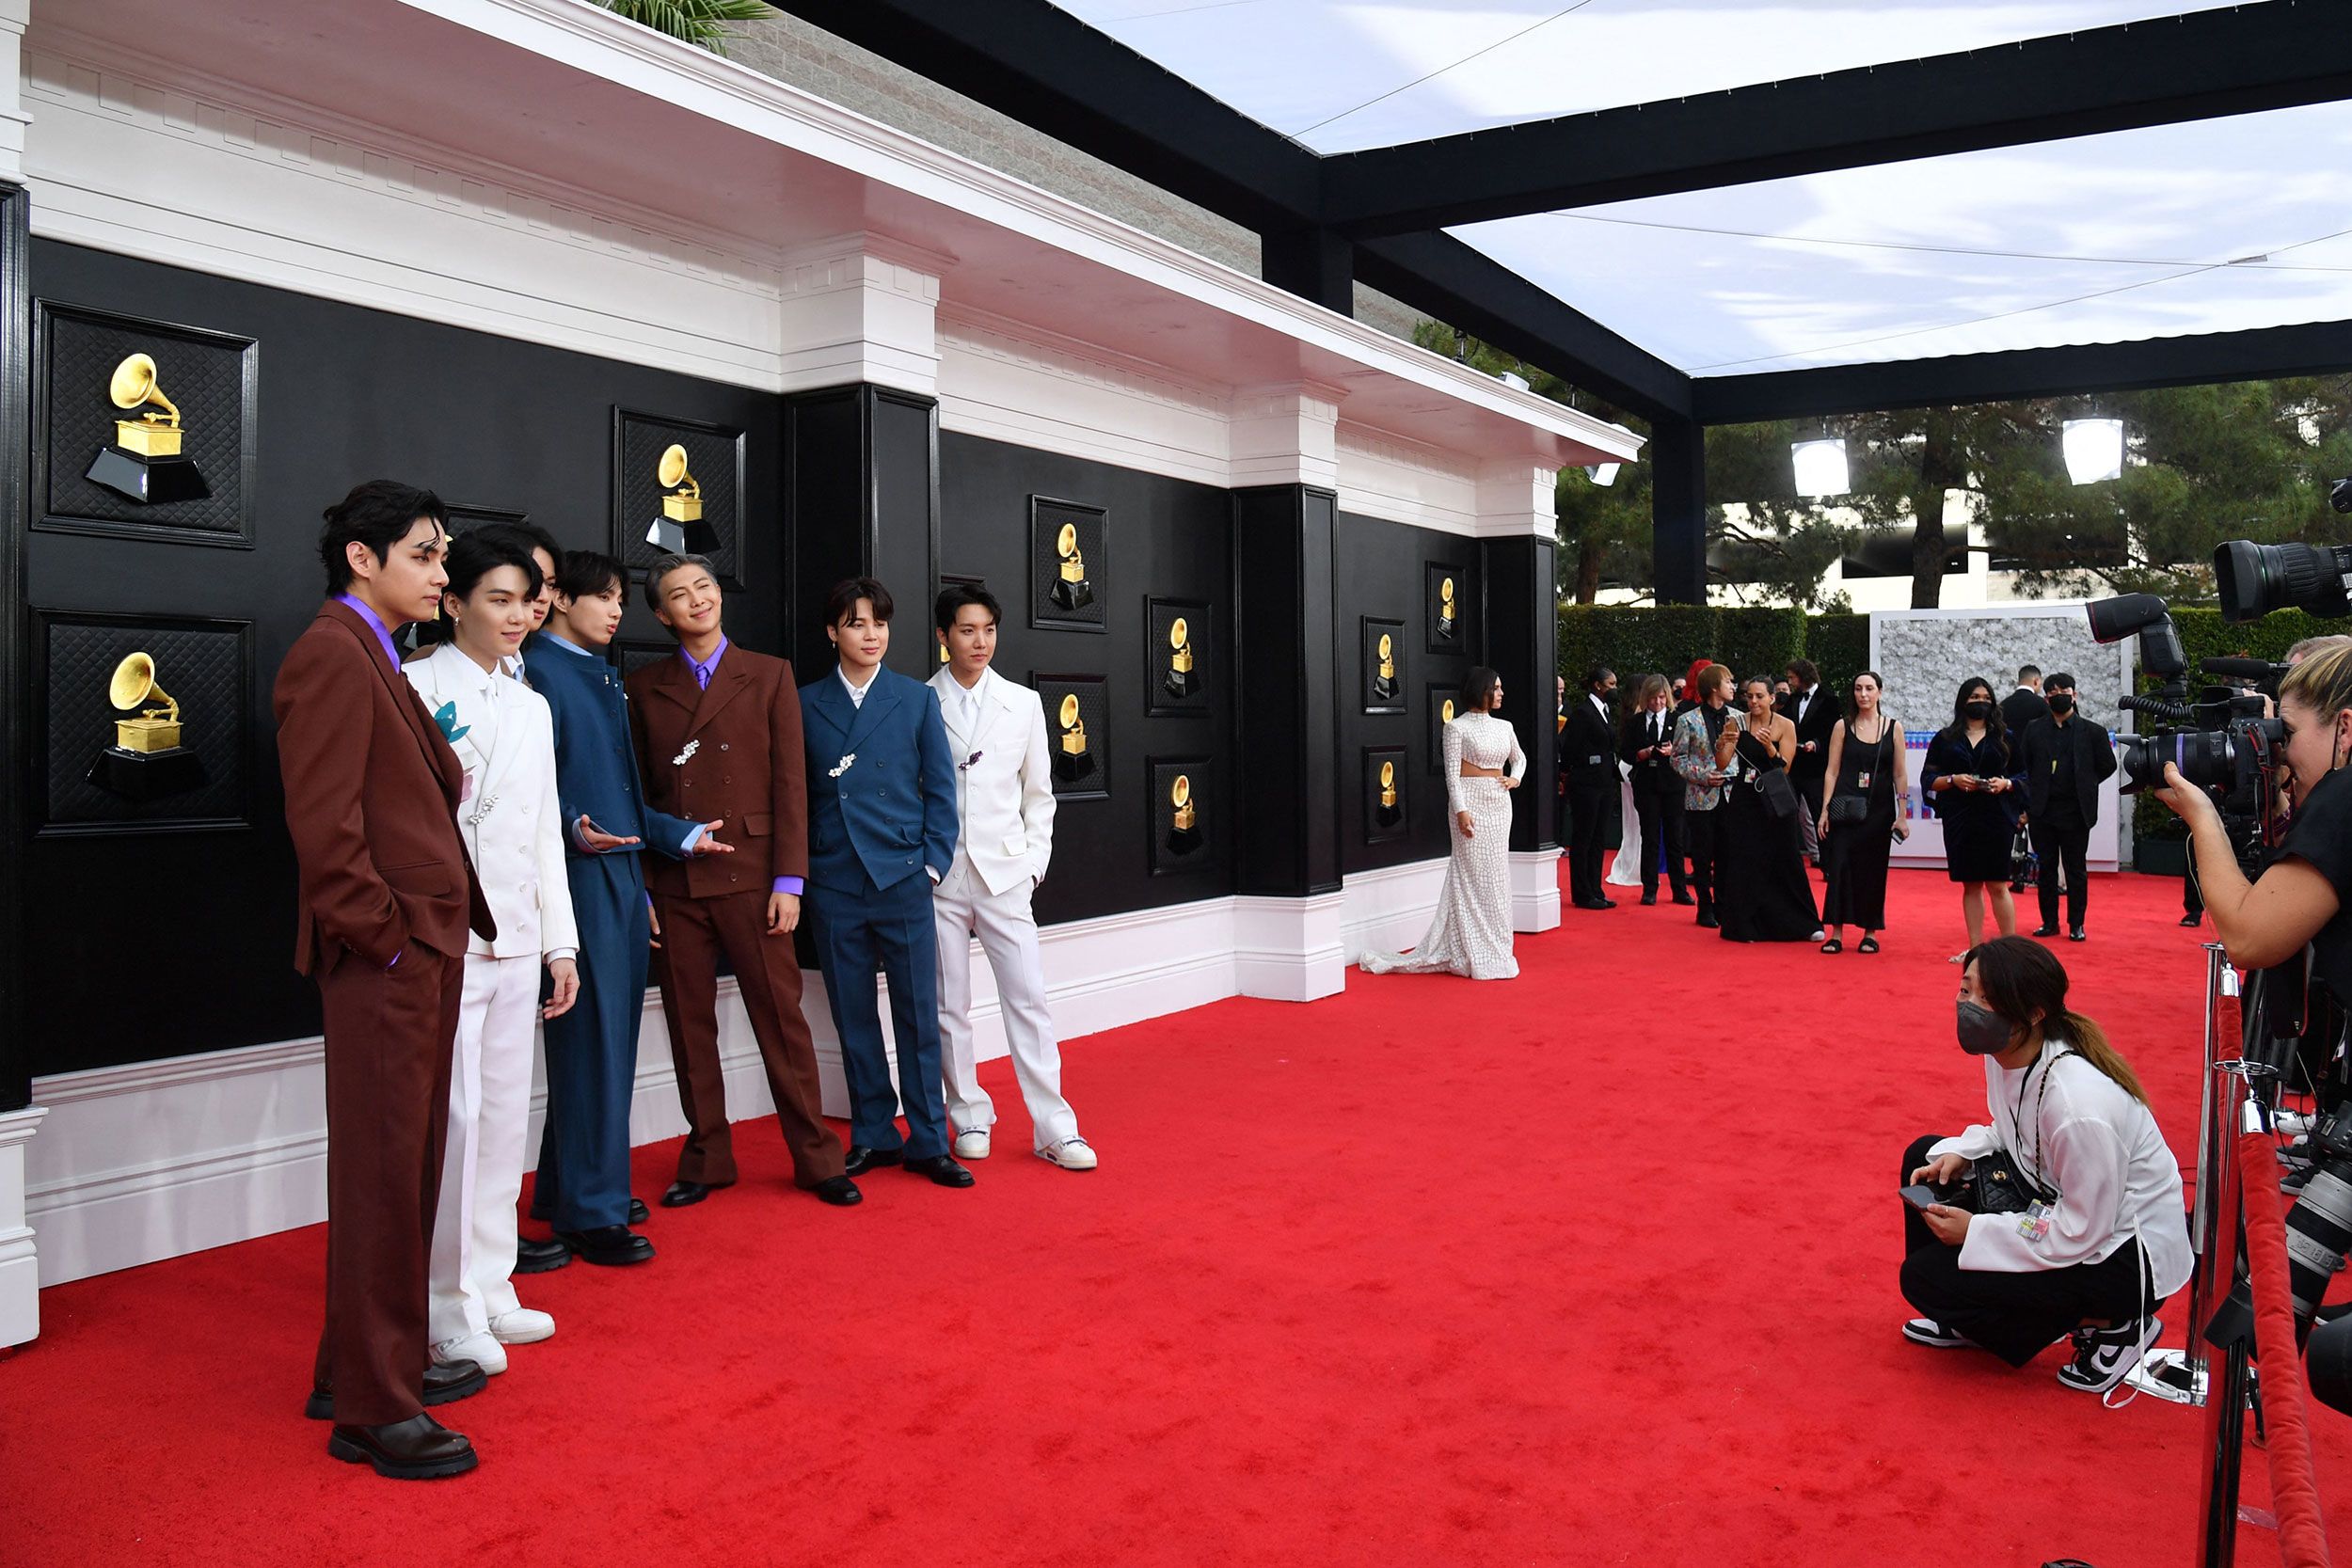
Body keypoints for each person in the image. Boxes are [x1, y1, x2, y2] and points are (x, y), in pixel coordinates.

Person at [276, 480, 494, 1479]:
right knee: (381, 1175)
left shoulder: (373, 650)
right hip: (387, 959)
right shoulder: (330, 654)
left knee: (406, 1168)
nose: (441, 573)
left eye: (442, 555)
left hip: (422, 951)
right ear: (363, 558)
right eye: (423, 554)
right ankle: (369, 1407)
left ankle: (365, 1366)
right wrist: (391, 941)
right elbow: (327, 836)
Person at [628, 554, 860, 1211]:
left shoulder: (768, 674)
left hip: (756, 879)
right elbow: (638, 793)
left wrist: (790, 878)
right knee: (688, 1024)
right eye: (680, 593)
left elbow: (793, 783)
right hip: (677, 882)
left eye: (704, 585)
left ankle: (817, 1156)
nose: (698, 599)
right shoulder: (643, 687)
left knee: (782, 1022)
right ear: (661, 613)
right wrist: (645, 886)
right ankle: (707, 1157)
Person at [400, 531, 580, 1374]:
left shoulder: (534, 703)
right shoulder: (412, 685)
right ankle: (444, 1305)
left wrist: (561, 941)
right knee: (460, 1121)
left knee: (506, 1116)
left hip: (517, 937)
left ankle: (491, 1281)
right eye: (500, 599)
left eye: (528, 599)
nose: (519, 614)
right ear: (454, 601)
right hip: (445, 939)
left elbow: (544, 830)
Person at [523, 550, 718, 1258]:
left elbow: (626, 793)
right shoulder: (540, 671)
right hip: (576, 877)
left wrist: (671, 840)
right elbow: (535, 789)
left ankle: (569, 1188)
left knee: (606, 1042)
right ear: (563, 600)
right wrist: (580, 828)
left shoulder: (592, 672)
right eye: (601, 599)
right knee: (594, 1041)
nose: (614, 612)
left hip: (619, 872)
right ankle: (589, 1206)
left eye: (617, 600)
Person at [1899, 938, 2190, 1394]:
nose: (1969, 1006)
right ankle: (1970, 1314)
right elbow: (2016, 1129)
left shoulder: (2078, 1105)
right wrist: (1965, 1152)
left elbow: (2081, 1229)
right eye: (1965, 989)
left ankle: (2118, 1325)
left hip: (2122, 1256)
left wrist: (1976, 1231)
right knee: (1926, 1157)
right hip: (2061, 1203)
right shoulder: (2014, 1051)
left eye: (1985, 996)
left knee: (1924, 1278)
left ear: (2032, 1012)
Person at [801, 577, 968, 1186]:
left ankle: (928, 1137)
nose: (871, 634)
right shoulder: (804, 703)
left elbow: (941, 792)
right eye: (856, 623)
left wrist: (929, 864)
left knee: (919, 1012)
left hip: (902, 875)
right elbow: (797, 798)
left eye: (879, 623)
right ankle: (874, 1131)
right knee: (852, 1012)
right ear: (832, 632)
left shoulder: (915, 700)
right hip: (835, 878)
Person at [929, 584, 1094, 1171]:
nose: (981, 642)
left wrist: (1032, 864)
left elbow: (1040, 794)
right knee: (949, 1006)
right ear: (943, 634)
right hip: (939, 877)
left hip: (1006, 874)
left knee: (1028, 999)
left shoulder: (1023, 703)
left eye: (989, 630)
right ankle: (969, 1115)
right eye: (968, 630)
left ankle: (1055, 1127)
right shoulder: (920, 702)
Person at [2156, 642, 2352, 1012]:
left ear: (2344, 729)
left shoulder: (2343, 794)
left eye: (2288, 732)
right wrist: (2273, 793)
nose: (2280, 751)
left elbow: (2249, 939)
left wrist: (2203, 816)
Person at [1360, 666, 1525, 979]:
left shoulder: (1505, 726)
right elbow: (1451, 774)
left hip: (1499, 804)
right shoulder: (1456, 728)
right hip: (1469, 805)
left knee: (1498, 878)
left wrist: (1515, 778)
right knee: (1472, 876)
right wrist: (1461, 810)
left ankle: (1498, 951)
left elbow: (1520, 757)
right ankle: (1471, 951)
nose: (1502, 693)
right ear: (1482, 691)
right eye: (1497, 688)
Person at [1713, 677, 1824, 944]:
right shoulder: (1736, 722)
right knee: (1744, 859)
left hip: (1775, 798)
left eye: (1760, 696)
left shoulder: (1786, 725)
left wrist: (1768, 746)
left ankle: (1802, 923)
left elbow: (1784, 768)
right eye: (1749, 696)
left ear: (1772, 698)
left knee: (1785, 858)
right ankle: (1744, 926)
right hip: (1745, 799)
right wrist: (1721, 743)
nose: (1753, 702)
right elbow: (1722, 762)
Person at [1923, 677, 2024, 957]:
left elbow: (2024, 776)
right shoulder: (1945, 739)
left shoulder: (2006, 738)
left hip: (1996, 817)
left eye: (1985, 697)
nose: (1980, 701)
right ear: (1962, 701)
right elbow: (1929, 778)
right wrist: (1953, 779)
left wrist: (2006, 784)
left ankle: (2010, 950)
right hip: (1961, 818)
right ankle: (1975, 949)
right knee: (1970, 884)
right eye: (1974, 696)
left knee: (1997, 883)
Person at [2017, 673, 2116, 943]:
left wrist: (2086, 781)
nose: (2059, 694)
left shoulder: (2092, 732)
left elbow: (2108, 764)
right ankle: (2049, 922)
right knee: (2046, 868)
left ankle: (2077, 924)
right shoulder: (2034, 729)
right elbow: (2024, 762)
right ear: (2046, 697)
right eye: (2053, 691)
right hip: (2042, 810)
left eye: (2065, 690)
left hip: (2076, 811)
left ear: (2074, 694)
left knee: (2076, 869)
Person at [1817, 671, 1908, 955]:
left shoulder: (1894, 728)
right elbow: (1831, 770)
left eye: (1869, 688)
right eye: (1858, 689)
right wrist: (1824, 810)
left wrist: (1902, 813)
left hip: (1879, 810)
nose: (1863, 694)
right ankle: (1836, 933)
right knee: (1839, 865)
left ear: (1880, 692)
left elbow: (1900, 774)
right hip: (1844, 806)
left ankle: (1870, 932)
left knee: (1873, 870)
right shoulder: (1842, 727)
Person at [1672, 663, 1738, 929]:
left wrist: (1732, 773)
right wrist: (1702, 775)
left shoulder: (1738, 717)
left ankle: (1723, 905)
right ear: (1713, 687)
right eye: (1728, 681)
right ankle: (1705, 906)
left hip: (1731, 795)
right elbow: (1677, 759)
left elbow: (1743, 757)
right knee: (1702, 856)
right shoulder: (1688, 720)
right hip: (1700, 796)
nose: (1733, 686)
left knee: (1727, 853)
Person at [1619, 673, 1689, 907]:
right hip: (1646, 785)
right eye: (1652, 698)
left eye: (1661, 698)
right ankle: (1650, 889)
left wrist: (1672, 753)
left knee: (1675, 839)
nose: (1657, 703)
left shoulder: (1678, 719)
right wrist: (1643, 753)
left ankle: (1679, 889)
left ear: (1667, 697)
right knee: (1649, 837)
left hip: (1673, 785)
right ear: (1644, 698)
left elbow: (1686, 752)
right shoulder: (1635, 722)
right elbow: (1626, 752)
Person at [1562, 665, 1619, 911]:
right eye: (1611, 684)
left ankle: (1595, 889)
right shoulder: (1583, 713)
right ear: (1598, 685)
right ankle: (1583, 893)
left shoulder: (1605, 711)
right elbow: (1569, 750)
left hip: (1605, 783)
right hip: (1586, 785)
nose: (1615, 689)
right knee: (1584, 837)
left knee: (1598, 838)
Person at [1780, 658, 1835, 864]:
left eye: (1792, 677)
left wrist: (1816, 744)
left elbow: (1832, 732)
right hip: (1793, 767)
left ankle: (1828, 863)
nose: (1790, 682)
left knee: (1820, 814)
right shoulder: (1792, 700)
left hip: (1816, 770)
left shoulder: (1828, 698)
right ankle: (1787, 862)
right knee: (1786, 813)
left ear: (1803, 676)